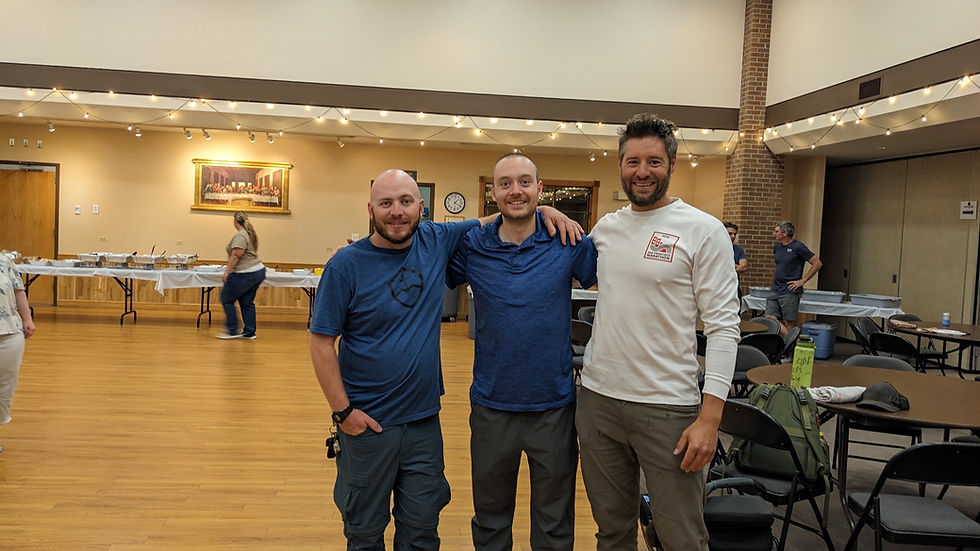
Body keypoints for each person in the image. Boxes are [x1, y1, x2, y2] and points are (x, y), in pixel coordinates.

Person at [309, 169, 582, 550]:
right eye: (386, 203)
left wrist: (546, 210)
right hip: (368, 422)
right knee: (364, 531)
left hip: (424, 422)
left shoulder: (435, 239)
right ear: (370, 210)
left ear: (421, 208)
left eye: (406, 202)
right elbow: (321, 343)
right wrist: (343, 413)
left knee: (422, 528)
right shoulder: (346, 265)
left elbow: (499, 215)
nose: (397, 212)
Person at [576, 113, 740, 551]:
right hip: (598, 402)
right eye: (632, 161)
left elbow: (724, 328)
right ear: (620, 165)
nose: (642, 171)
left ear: (671, 164)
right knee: (612, 533)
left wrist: (710, 419)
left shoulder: (703, 230)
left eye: (653, 161)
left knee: (680, 538)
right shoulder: (606, 228)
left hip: (668, 408)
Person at [446, 153, 597, 551]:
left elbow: (617, 277)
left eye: (525, 182)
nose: (516, 191)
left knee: (555, 521)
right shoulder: (473, 245)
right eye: (506, 183)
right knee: (491, 518)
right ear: (493, 192)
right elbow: (422, 255)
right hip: (492, 405)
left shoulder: (567, 240)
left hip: (554, 406)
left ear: (540, 189)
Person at [0, 253, 35, 454]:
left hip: (9, 332)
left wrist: (27, 319)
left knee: (5, 386)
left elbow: (19, 291)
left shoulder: (5, 261)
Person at [766, 220, 822, 337]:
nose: (774, 234)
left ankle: (790, 343)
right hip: (775, 288)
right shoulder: (777, 247)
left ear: (785, 233)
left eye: (776, 231)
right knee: (770, 317)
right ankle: (790, 340)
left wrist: (803, 280)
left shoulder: (798, 247)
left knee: (788, 321)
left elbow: (817, 263)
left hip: (790, 290)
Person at [217, 211, 266, 340]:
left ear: (235, 221)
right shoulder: (249, 234)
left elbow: (236, 254)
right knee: (247, 302)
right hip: (257, 271)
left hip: (245, 273)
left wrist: (227, 271)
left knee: (226, 298)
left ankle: (232, 330)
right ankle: (250, 332)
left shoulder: (240, 235)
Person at [724, 221, 749, 298]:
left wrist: (727, 267)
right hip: (720, 288)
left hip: (734, 289)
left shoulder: (739, 250)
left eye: (735, 234)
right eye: (730, 234)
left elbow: (744, 267)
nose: (733, 236)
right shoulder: (716, 248)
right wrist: (734, 266)